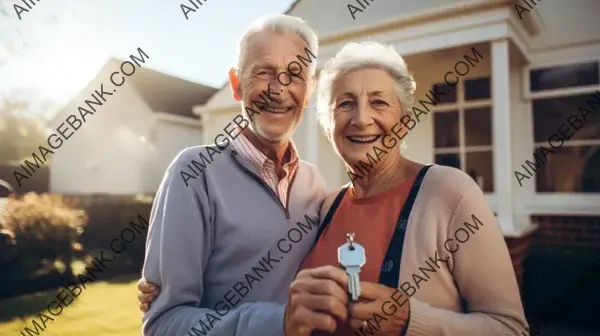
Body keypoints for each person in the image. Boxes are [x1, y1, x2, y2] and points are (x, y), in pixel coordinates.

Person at [139, 41, 529, 335]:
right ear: (328, 126)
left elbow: (510, 327)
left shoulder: (448, 192)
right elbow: (258, 268)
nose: (362, 119)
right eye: (345, 104)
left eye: (379, 103)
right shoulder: (323, 206)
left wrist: (412, 320)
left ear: (405, 122)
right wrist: (170, 282)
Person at [139, 14, 327, 336]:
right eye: (264, 72)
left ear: (309, 90)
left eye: (294, 74)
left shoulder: (317, 185)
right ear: (237, 84)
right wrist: (278, 323)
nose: (278, 90)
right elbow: (163, 325)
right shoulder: (193, 173)